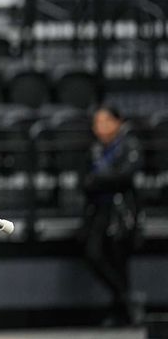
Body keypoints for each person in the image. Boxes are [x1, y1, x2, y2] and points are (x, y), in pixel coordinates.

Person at [81, 104, 144, 326]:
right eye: (97, 123)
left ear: (118, 122)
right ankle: (127, 300)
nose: (101, 127)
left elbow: (125, 176)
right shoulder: (94, 150)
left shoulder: (129, 145)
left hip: (122, 211)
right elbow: (84, 181)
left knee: (119, 260)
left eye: (106, 121)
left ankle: (121, 311)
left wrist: (101, 179)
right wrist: (104, 180)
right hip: (99, 211)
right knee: (94, 254)